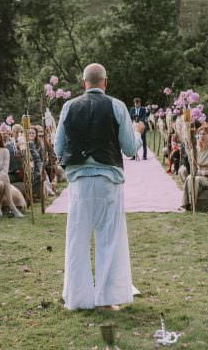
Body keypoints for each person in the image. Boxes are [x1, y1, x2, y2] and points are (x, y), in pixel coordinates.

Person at [55, 63, 143, 311]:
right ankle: (107, 299)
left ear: (85, 83)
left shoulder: (68, 106)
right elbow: (128, 147)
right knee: (109, 239)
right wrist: (137, 132)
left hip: (80, 182)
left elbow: (57, 147)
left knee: (77, 240)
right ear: (105, 81)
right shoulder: (117, 106)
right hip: (107, 181)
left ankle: (78, 298)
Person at [179, 125, 208, 211]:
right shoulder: (195, 150)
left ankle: (192, 205)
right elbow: (193, 169)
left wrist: (202, 173)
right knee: (190, 177)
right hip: (198, 175)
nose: (201, 136)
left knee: (196, 179)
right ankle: (185, 204)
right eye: (200, 134)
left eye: (204, 134)